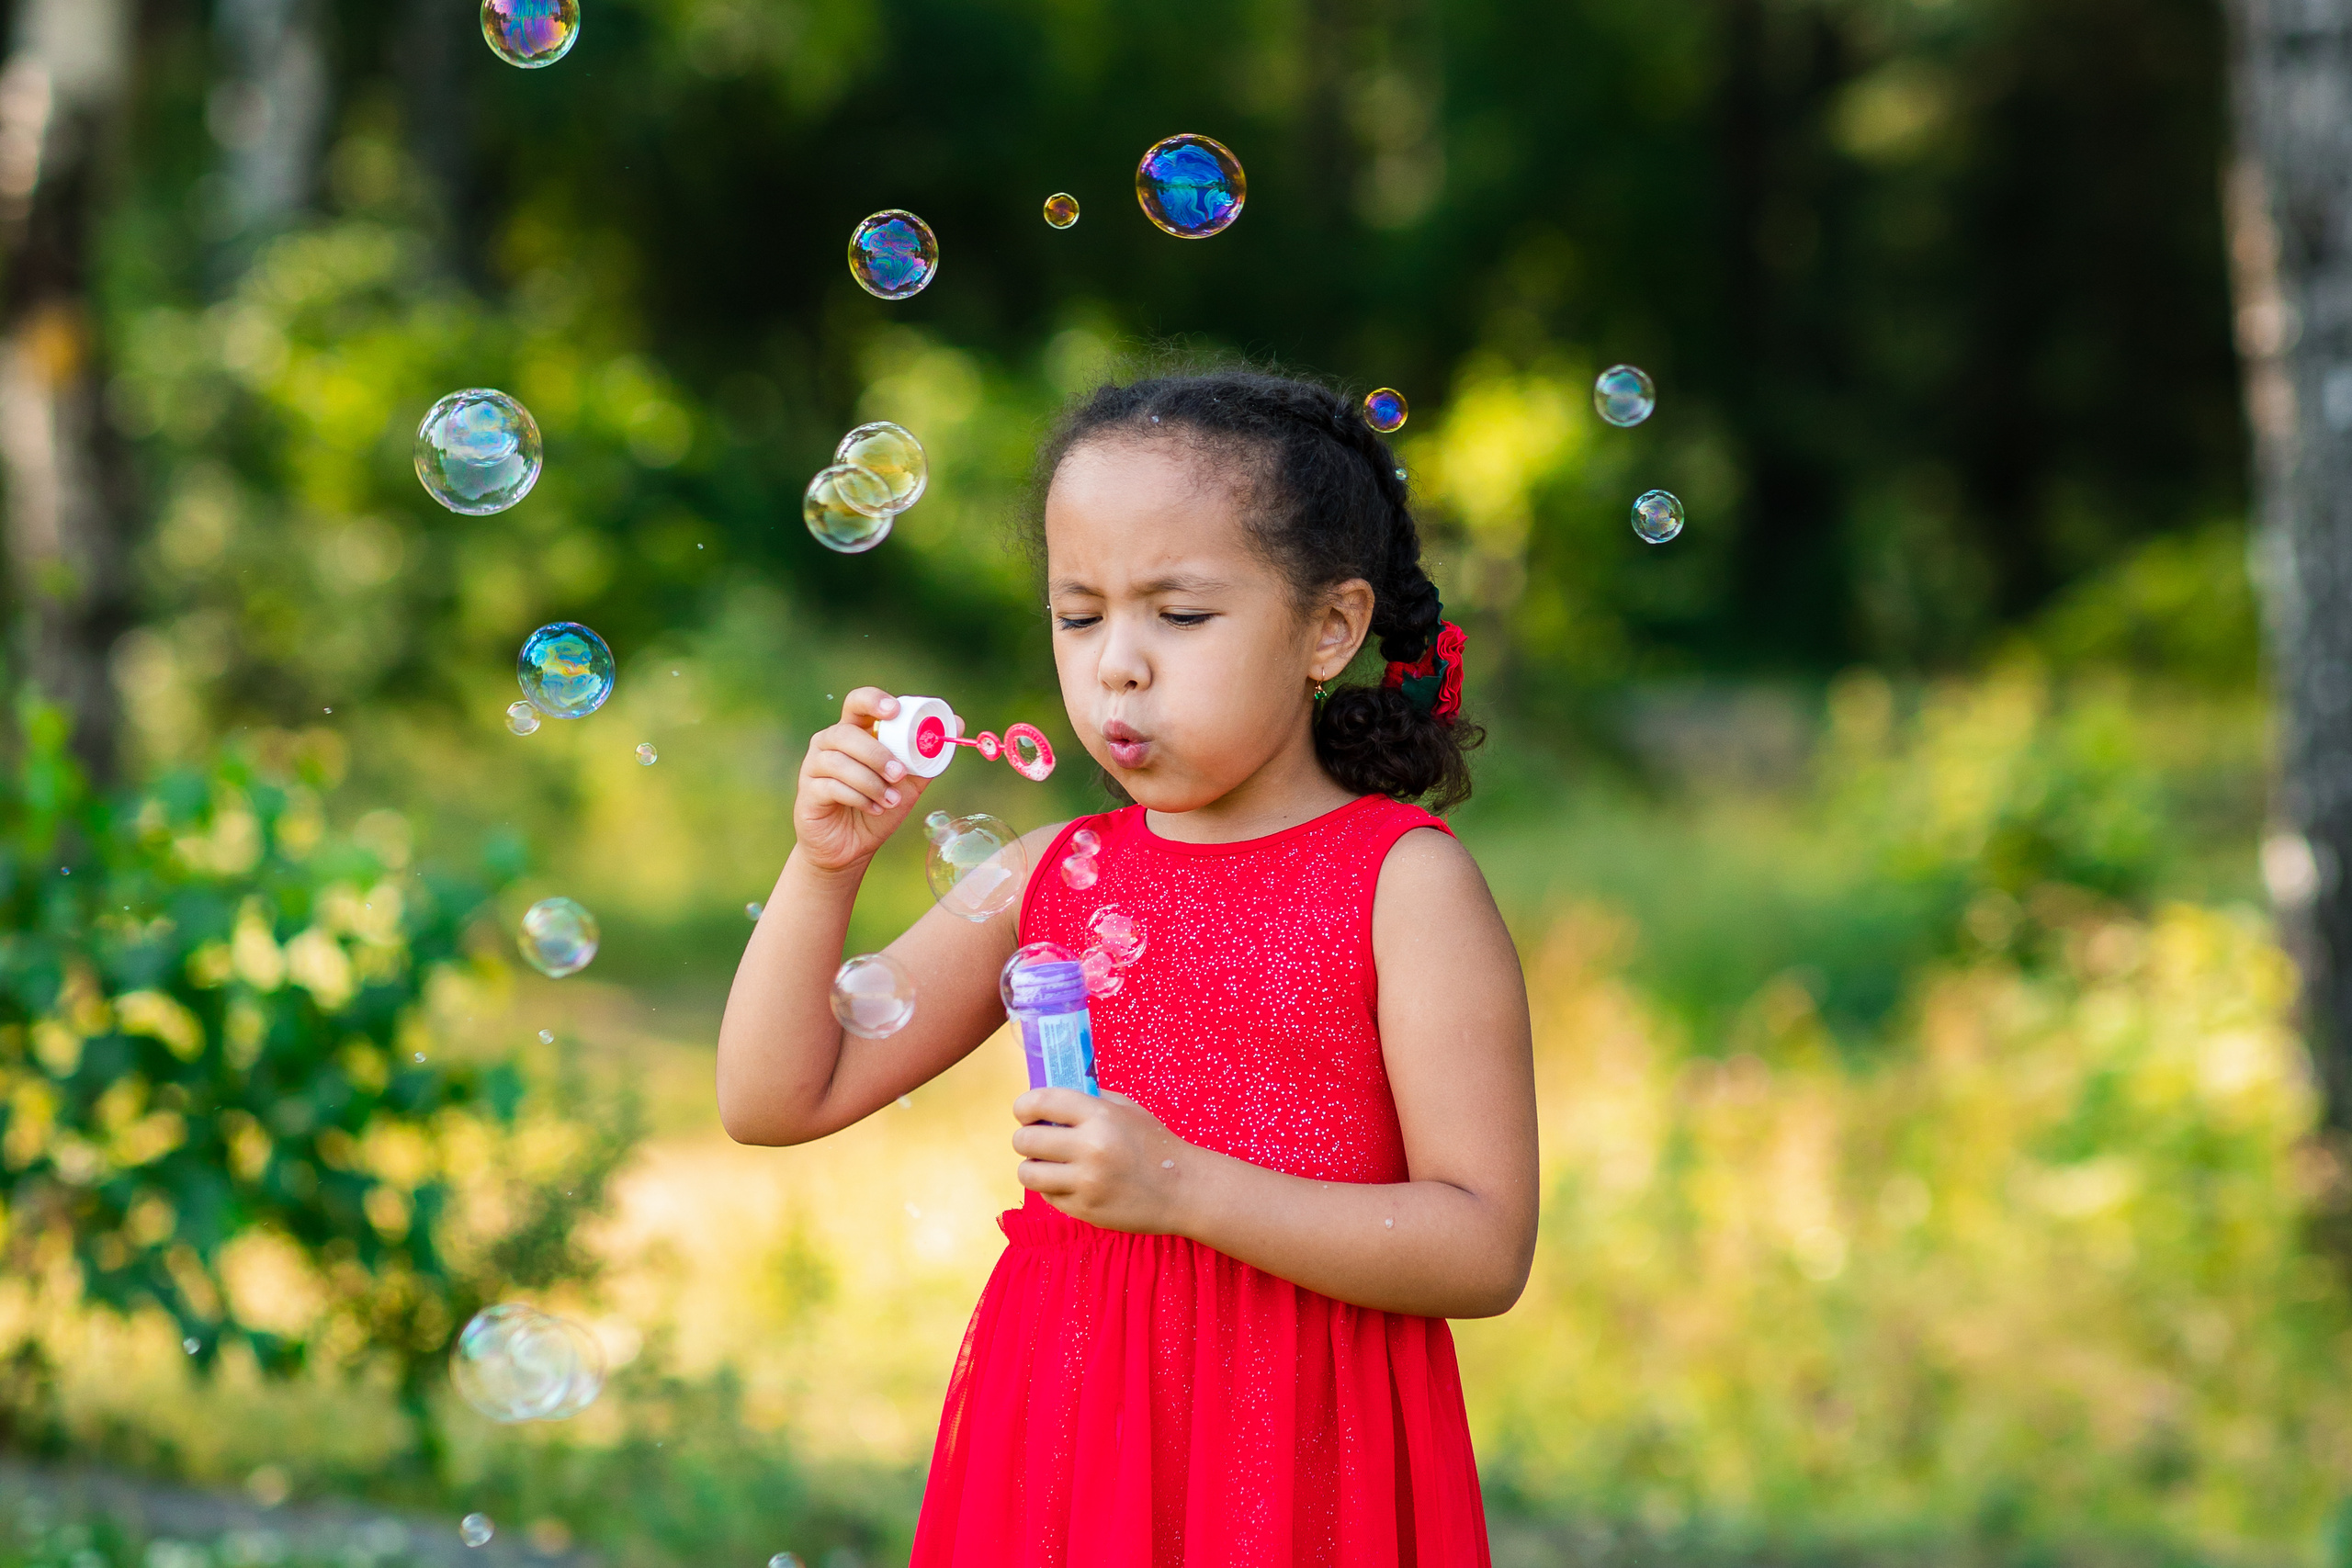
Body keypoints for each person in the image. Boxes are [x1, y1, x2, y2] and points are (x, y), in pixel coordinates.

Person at [717, 368, 1539, 1566]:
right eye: (1079, 615)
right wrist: (824, 865)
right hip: (1073, 1438)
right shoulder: (1053, 875)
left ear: (1330, 628)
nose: (1118, 665)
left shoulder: (1400, 884)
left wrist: (1181, 1187)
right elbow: (773, 1097)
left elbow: (1484, 1246)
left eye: (1180, 614)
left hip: (1305, 1456)